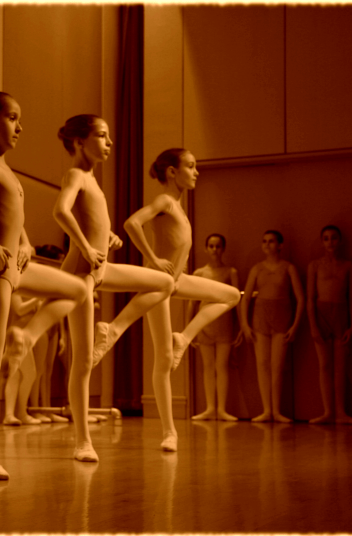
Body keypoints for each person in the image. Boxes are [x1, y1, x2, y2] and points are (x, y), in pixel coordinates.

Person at [0, 91, 87, 476]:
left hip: (16, 266)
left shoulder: (7, 171)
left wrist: (24, 242)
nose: (19, 127)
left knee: (77, 289)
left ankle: (28, 334)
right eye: (11, 118)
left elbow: (14, 216)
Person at [52, 115, 174, 456]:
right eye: (102, 136)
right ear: (79, 142)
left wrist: (105, 237)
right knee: (82, 362)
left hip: (102, 268)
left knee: (164, 282)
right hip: (82, 275)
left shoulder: (91, 179)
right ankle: (82, 441)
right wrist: (87, 246)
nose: (108, 143)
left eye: (109, 137)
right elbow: (60, 211)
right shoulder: (76, 174)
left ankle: (113, 329)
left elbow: (88, 218)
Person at [124, 148, 240, 451]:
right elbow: (132, 223)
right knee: (162, 361)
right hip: (158, 282)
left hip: (177, 280)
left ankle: (184, 338)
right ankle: (169, 432)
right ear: (172, 172)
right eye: (190, 166)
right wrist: (151, 257)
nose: (196, 172)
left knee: (230, 295)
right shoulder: (164, 200)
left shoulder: (177, 206)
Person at [240, 230, 304, 423]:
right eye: (264, 241)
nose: (267, 245)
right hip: (260, 319)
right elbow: (245, 299)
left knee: (277, 366)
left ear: (280, 245)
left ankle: (276, 411)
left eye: (271, 241)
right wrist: (245, 324)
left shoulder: (288, 268)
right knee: (262, 365)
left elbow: (300, 299)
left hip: (282, 318)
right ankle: (266, 410)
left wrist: (294, 326)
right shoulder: (257, 269)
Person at [185, 234, 242, 421]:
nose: (214, 250)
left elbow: (237, 302)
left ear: (223, 249)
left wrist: (242, 326)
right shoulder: (199, 273)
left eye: (217, 246)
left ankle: (222, 409)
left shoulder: (230, 272)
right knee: (207, 366)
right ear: (206, 248)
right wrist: (189, 330)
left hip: (224, 322)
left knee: (222, 366)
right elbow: (192, 303)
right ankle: (210, 407)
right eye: (211, 246)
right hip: (204, 322)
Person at [307, 226, 352, 425]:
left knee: (340, 366)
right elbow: (310, 298)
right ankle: (328, 411)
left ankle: (341, 412)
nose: (330, 242)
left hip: (341, 313)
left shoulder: (349, 266)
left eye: (334, 238)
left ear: (340, 241)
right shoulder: (315, 265)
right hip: (321, 313)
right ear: (322, 242)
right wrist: (313, 325)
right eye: (326, 239)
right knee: (324, 365)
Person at [2, 292, 42, 426]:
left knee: (21, 374)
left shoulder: (30, 291)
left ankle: (15, 413)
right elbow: (19, 309)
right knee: (23, 374)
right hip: (17, 333)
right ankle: (16, 413)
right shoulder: (16, 288)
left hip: (25, 334)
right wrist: (37, 298)